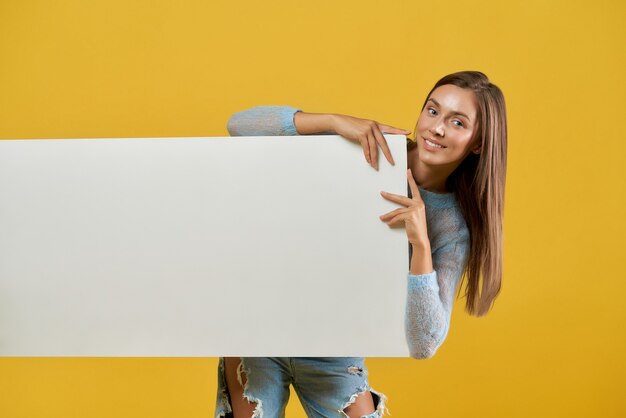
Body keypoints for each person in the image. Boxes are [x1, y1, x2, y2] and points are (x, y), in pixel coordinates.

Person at [214, 71, 508, 418]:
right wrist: (334, 122)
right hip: (260, 329)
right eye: (432, 111)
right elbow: (239, 125)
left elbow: (424, 343)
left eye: (457, 122)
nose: (437, 128)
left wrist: (421, 245)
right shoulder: (369, 149)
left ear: (478, 142)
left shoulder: (453, 226)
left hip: (333, 349)